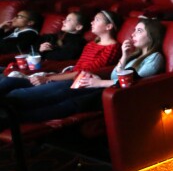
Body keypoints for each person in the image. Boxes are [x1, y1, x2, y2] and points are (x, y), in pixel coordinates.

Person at [4, 18, 164, 123]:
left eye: (139, 30)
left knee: (64, 98)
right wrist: (124, 56)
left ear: (152, 36)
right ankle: (10, 107)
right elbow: (117, 74)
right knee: (60, 92)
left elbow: (134, 84)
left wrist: (98, 82)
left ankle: (12, 116)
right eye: (134, 29)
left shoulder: (155, 58)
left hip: (113, 96)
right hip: (101, 87)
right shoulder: (133, 56)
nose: (133, 34)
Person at [0, 11, 122, 97]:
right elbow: (77, 66)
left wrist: (49, 78)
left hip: (75, 82)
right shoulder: (91, 44)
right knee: (10, 82)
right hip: (64, 75)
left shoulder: (112, 47)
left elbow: (83, 72)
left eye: (97, 20)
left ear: (109, 26)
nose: (92, 22)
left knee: (16, 94)